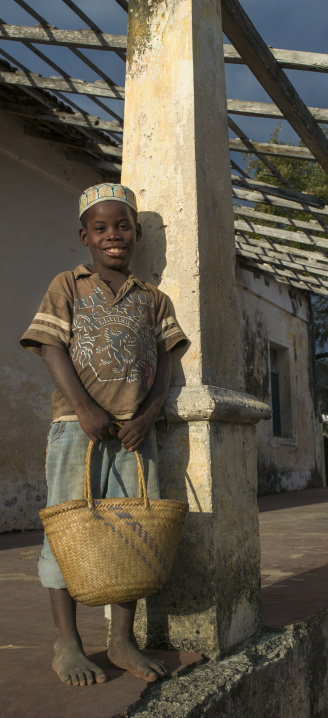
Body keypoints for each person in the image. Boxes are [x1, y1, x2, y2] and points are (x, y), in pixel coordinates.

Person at [20, 183, 187, 687]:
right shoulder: (67, 286)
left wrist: (148, 417)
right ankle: (67, 643)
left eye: (122, 226)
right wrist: (85, 408)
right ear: (85, 237)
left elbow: (165, 367)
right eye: (101, 228)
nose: (112, 235)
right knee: (68, 530)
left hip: (136, 435)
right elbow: (50, 348)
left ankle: (121, 640)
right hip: (78, 430)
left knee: (131, 532)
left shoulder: (154, 300)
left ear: (136, 234)